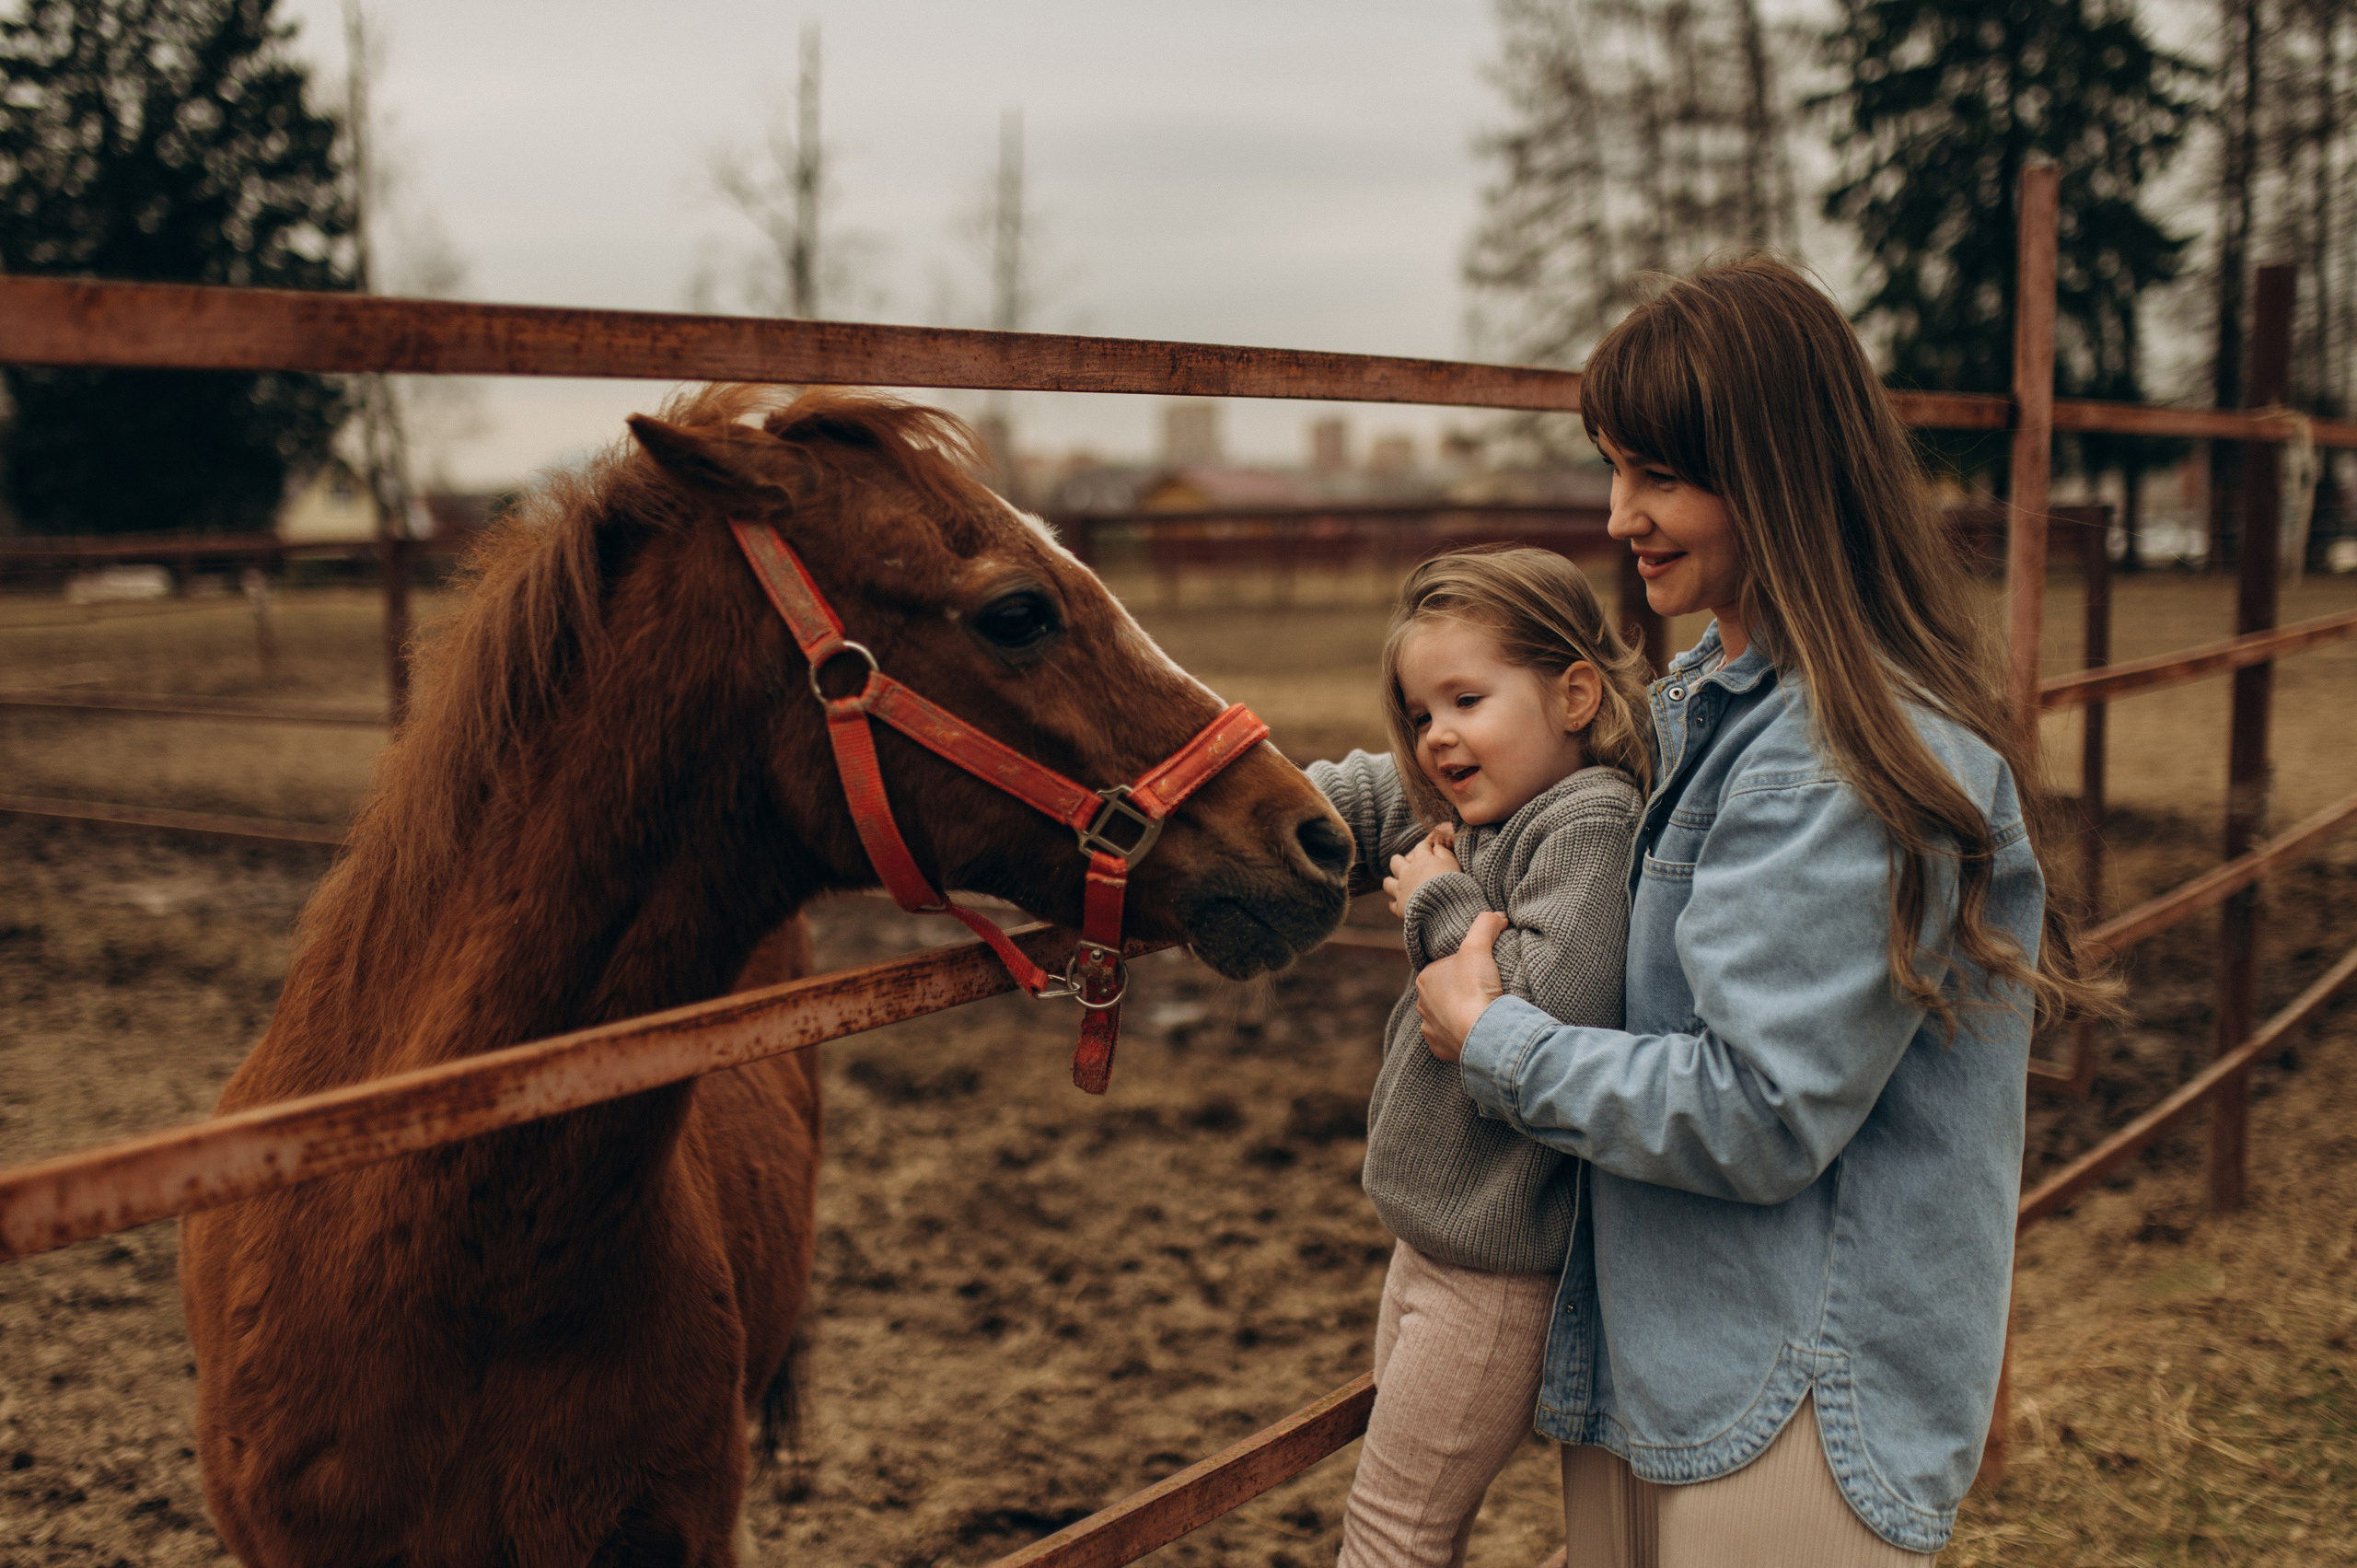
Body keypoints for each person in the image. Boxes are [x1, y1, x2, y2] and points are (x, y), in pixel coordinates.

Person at [1411, 256, 2108, 1567]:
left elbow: (1760, 1109)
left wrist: (1492, 1039)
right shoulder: (1713, 703)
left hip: (1788, 1392)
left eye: (1660, 475)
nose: (1620, 513)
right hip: (1677, 1356)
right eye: (1613, 467)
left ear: (1779, 473)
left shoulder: (1834, 759)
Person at [1309, 547, 1653, 1568]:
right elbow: (1348, 802)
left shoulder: (1588, 820)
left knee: (1393, 1534)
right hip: (1436, 1242)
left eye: (1466, 699)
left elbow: (1550, 1004)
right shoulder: (1483, 803)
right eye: (1421, 714)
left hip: (1499, 1274)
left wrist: (1435, 903)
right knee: (1413, 1523)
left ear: (1574, 695)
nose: (1437, 735)